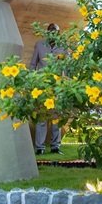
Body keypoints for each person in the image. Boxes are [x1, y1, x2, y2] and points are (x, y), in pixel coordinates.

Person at [30, 23, 63, 154]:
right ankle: (40, 148)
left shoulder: (64, 47)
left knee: (56, 117)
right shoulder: (39, 45)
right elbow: (33, 64)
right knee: (42, 117)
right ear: (47, 33)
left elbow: (68, 66)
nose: (53, 35)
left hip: (58, 87)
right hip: (42, 86)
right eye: (51, 32)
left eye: (55, 33)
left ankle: (55, 146)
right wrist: (32, 81)